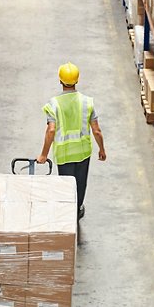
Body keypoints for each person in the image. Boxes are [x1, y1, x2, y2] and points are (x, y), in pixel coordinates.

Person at [36, 62, 106, 219]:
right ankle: (77, 209)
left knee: (66, 185)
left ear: (60, 80)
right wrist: (101, 149)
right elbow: (96, 131)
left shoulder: (54, 104)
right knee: (80, 183)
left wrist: (44, 154)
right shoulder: (87, 102)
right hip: (83, 152)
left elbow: (51, 130)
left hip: (64, 154)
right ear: (77, 80)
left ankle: (67, 212)